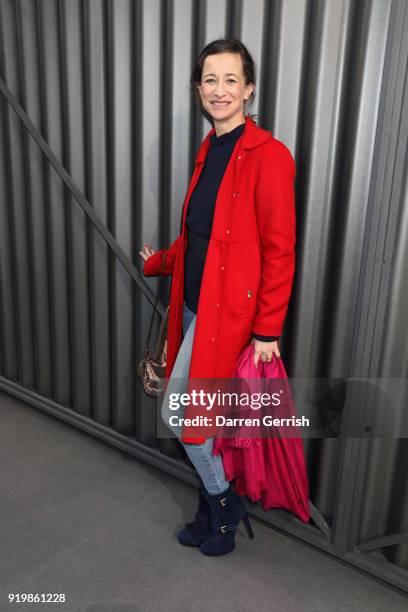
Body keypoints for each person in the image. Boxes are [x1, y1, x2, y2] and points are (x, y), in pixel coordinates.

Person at [139, 38, 296, 556]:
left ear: (249, 89)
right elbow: (200, 234)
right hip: (192, 308)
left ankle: (224, 504)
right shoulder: (209, 150)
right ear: (199, 90)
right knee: (203, 421)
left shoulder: (270, 157)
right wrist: (160, 260)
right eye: (210, 80)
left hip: (229, 318)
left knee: (184, 418)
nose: (220, 90)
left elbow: (280, 250)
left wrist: (267, 328)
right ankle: (214, 512)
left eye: (231, 80)